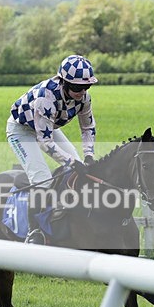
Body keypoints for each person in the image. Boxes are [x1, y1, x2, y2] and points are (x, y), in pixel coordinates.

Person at [7, 54, 97, 244]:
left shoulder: (84, 98)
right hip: (22, 130)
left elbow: (88, 127)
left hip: (47, 127)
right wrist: (72, 162)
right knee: (42, 179)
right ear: (63, 82)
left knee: (79, 171)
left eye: (86, 87)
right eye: (77, 87)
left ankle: (68, 215)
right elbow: (45, 142)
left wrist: (88, 156)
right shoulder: (45, 98)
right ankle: (34, 232)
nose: (82, 92)